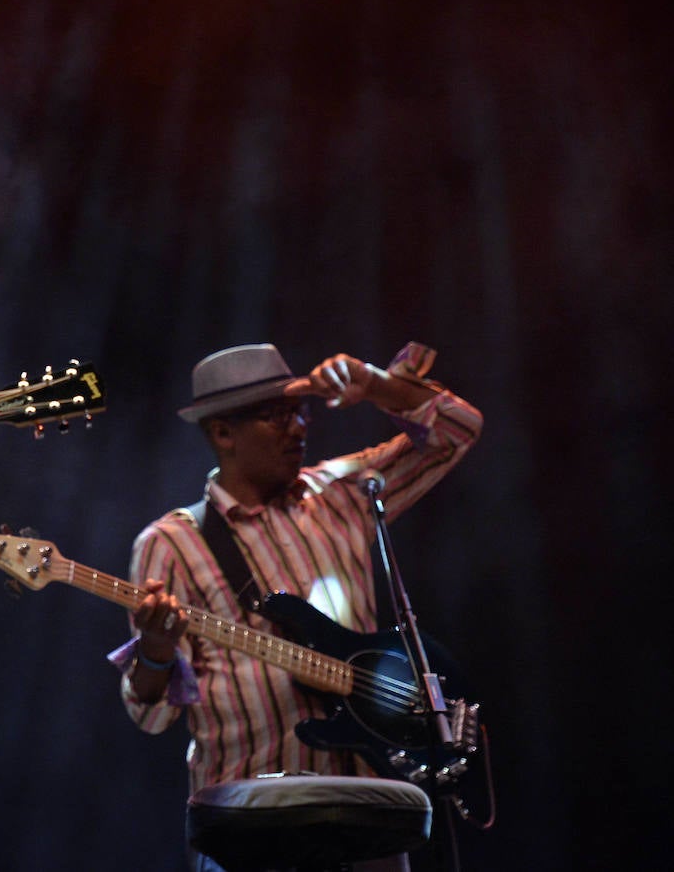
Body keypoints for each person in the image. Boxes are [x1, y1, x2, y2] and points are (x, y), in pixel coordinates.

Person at [109, 342, 482, 871]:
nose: (298, 427)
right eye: (275, 415)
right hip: (250, 824)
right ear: (222, 434)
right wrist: (155, 649)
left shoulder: (344, 493)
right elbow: (151, 714)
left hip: (367, 813)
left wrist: (376, 384)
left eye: (299, 410)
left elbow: (459, 429)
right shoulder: (170, 544)